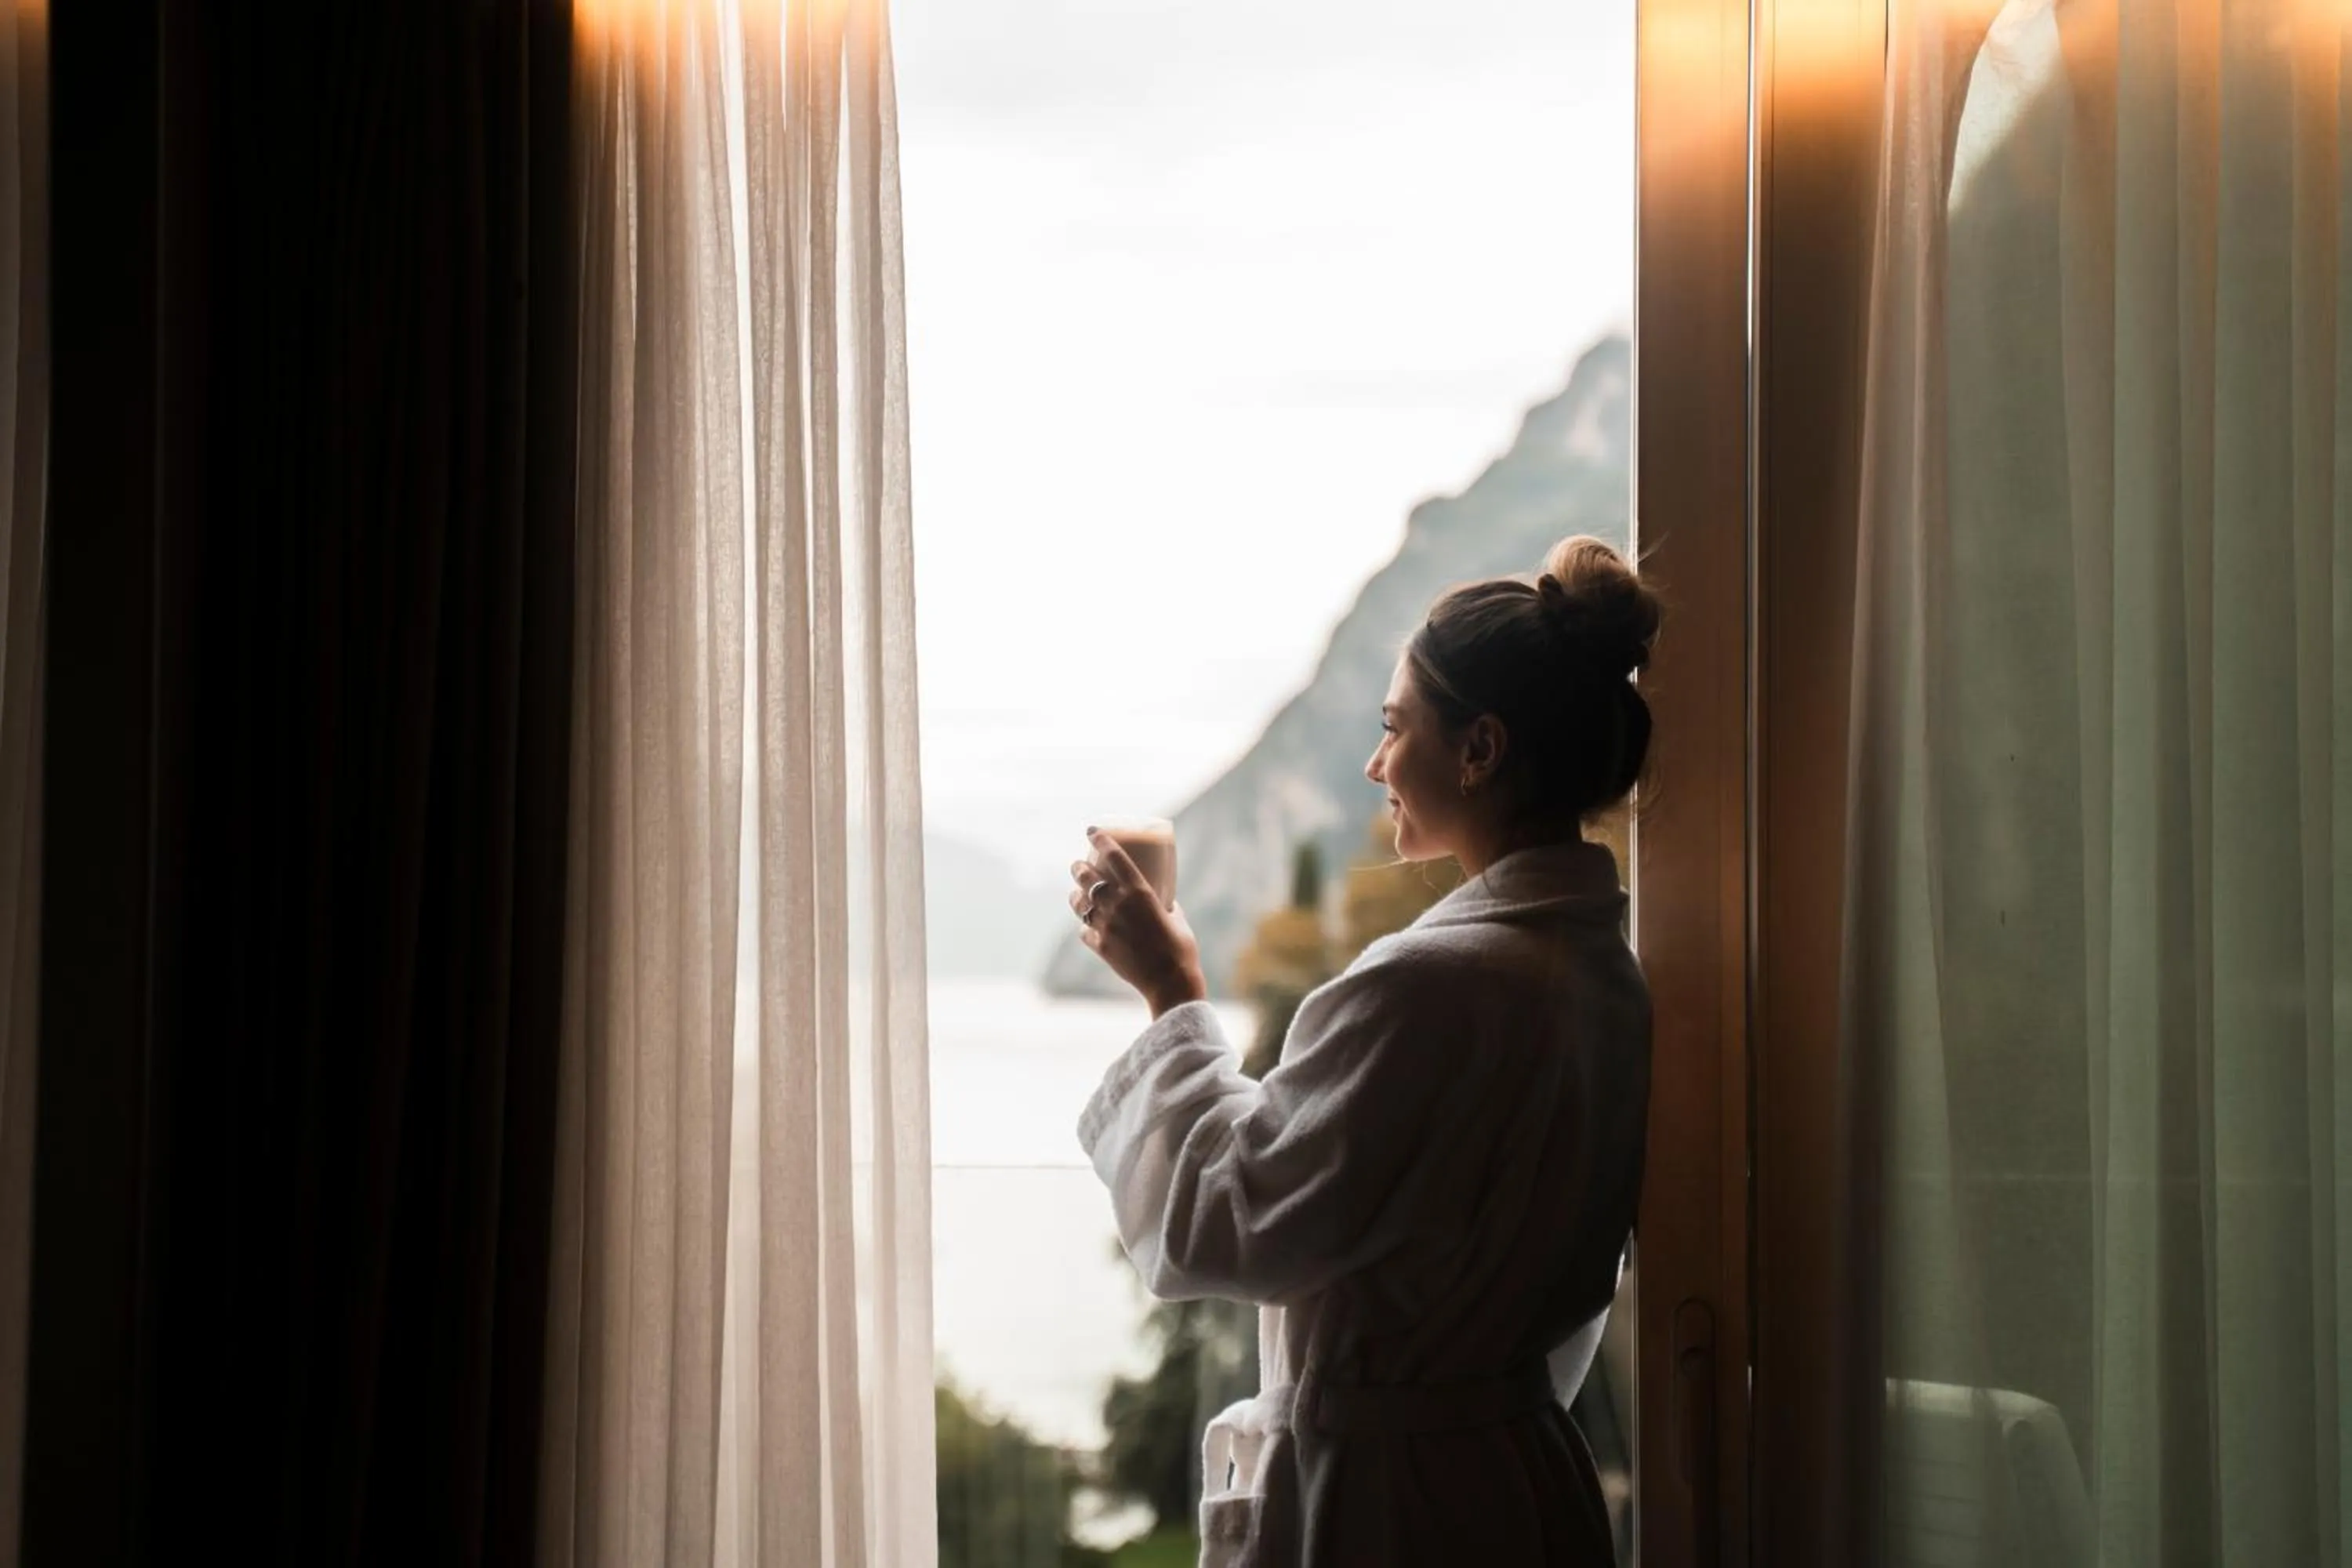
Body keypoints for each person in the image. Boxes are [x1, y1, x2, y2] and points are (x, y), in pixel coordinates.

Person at [1067, 535, 1660, 1567]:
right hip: (1526, 1484)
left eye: (1395, 728)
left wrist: (1171, 991)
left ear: (1479, 750)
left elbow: (1218, 1224)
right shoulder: (1607, 978)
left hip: (1388, 1511)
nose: (1377, 763)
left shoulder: (1424, 989)